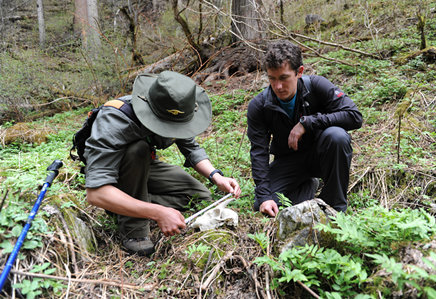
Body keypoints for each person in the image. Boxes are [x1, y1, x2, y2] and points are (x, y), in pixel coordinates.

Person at [84, 71, 241, 255]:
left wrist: (216, 176)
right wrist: (157, 212)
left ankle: (126, 203)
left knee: (199, 197)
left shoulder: (176, 109)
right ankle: (134, 229)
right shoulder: (115, 120)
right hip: (116, 171)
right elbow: (95, 193)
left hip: (145, 167)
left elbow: (191, 147)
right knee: (138, 149)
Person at [247, 40, 363, 217]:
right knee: (263, 204)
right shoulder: (259, 105)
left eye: (284, 78)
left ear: (299, 72)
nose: (278, 86)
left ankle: (335, 209)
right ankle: (308, 186)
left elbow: (354, 116)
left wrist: (308, 122)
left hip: (322, 156)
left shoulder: (316, 86)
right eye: (272, 78)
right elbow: (259, 152)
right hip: (288, 162)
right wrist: (264, 197)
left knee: (337, 136)